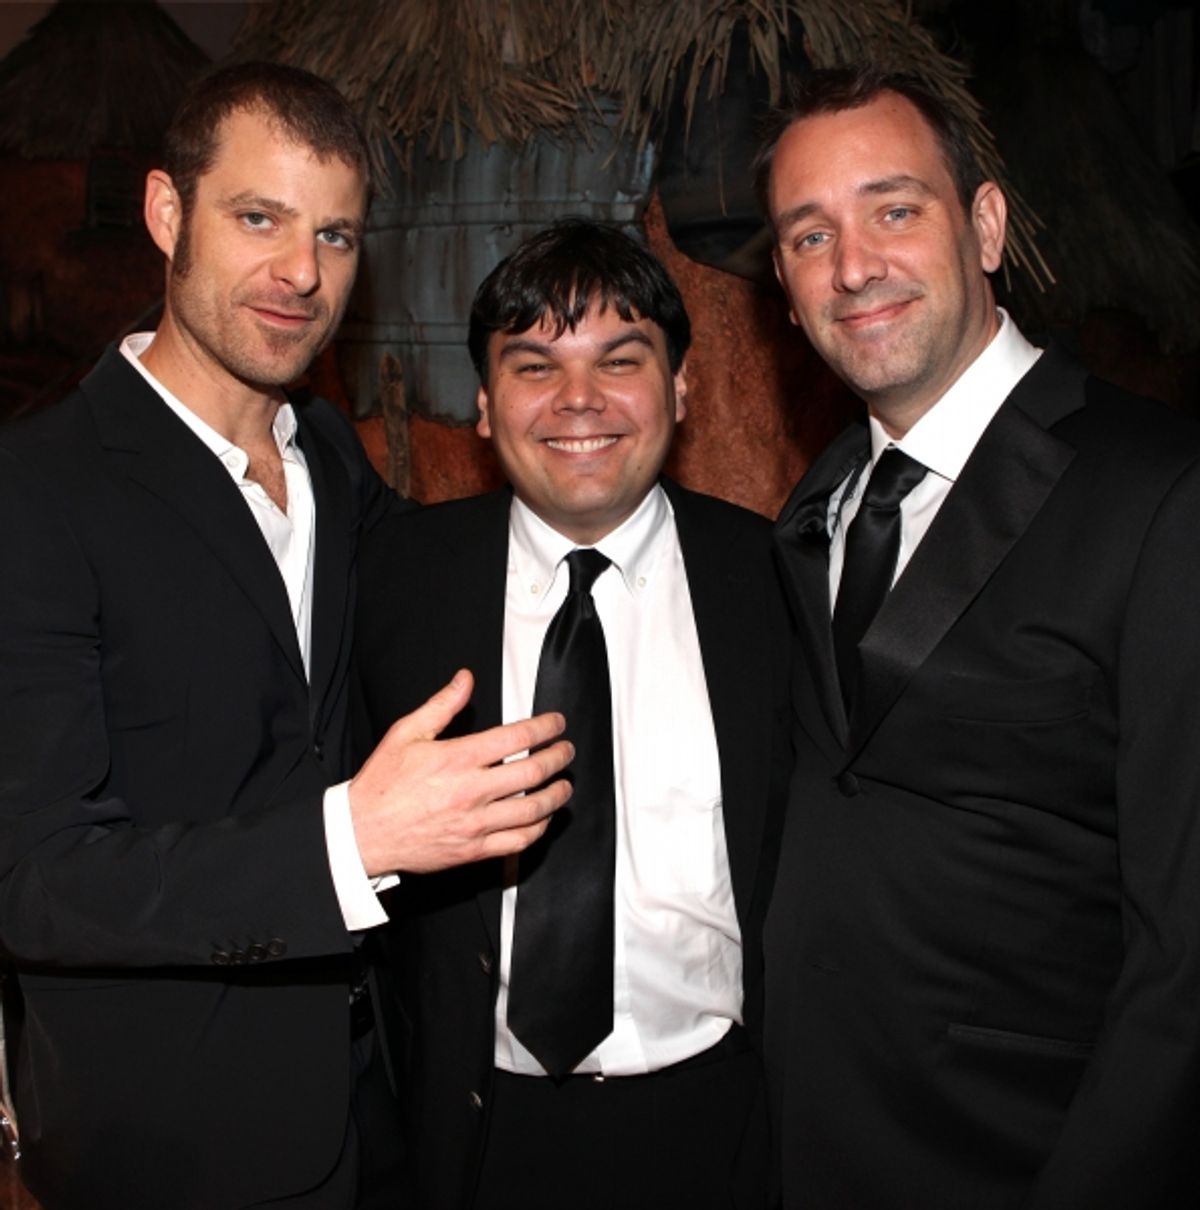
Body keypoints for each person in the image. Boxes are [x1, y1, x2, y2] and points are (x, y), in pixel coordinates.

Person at [0, 62, 572, 1210]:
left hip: (373, 1103)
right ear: (168, 213)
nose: (303, 273)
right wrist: (347, 841)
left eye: (337, 235)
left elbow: (440, 588)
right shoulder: (37, 491)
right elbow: (38, 878)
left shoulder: (328, 454)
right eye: (258, 219)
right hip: (170, 1140)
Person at [757, 64, 1200, 1209]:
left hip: (1026, 1159)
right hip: (809, 1143)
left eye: (894, 209)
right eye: (811, 235)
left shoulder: (1158, 492)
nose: (854, 267)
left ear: (987, 224)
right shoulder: (816, 506)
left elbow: (1185, 953)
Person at [355, 219, 790, 1210]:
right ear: (482, 403)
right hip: (475, 1135)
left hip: (718, 1121)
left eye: (619, 360)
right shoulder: (393, 584)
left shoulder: (775, 581)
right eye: (533, 364)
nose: (577, 400)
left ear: (681, 388)